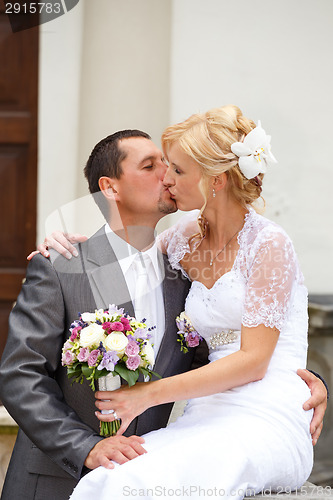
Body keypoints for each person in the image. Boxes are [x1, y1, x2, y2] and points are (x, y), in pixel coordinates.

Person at [67, 105, 326, 499]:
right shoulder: (182, 241)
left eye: (177, 170)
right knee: (111, 478)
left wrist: (145, 395)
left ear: (216, 180)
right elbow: (125, 256)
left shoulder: (269, 244)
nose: (166, 180)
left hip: (268, 413)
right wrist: (69, 248)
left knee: (153, 484)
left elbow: (255, 361)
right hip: (206, 413)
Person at [0, 129, 209, 500]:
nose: (168, 173)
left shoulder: (185, 278)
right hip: (55, 484)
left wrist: (304, 377)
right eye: (150, 165)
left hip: (143, 483)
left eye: (167, 163)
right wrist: (86, 447)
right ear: (110, 188)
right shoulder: (60, 267)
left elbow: (222, 359)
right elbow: (20, 374)